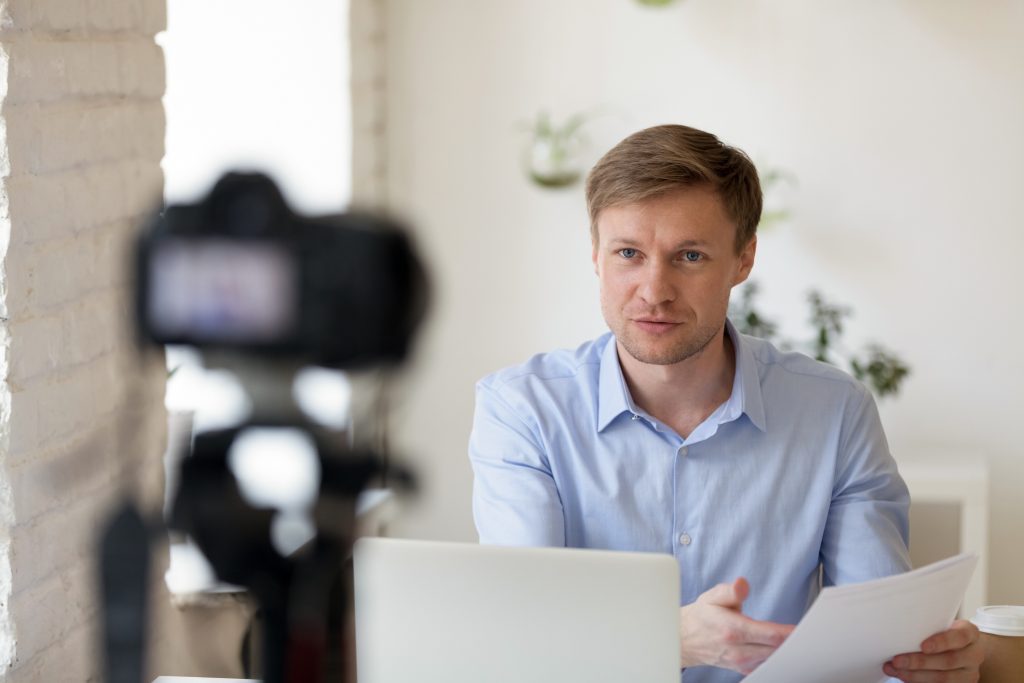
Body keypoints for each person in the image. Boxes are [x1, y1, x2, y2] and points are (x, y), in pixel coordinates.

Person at [468, 124, 983, 682]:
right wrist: (669, 640)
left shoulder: (835, 413)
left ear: (743, 259)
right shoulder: (522, 411)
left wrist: (924, 663)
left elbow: (876, 645)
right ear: (596, 255)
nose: (654, 289)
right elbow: (520, 639)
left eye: (689, 256)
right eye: (629, 253)